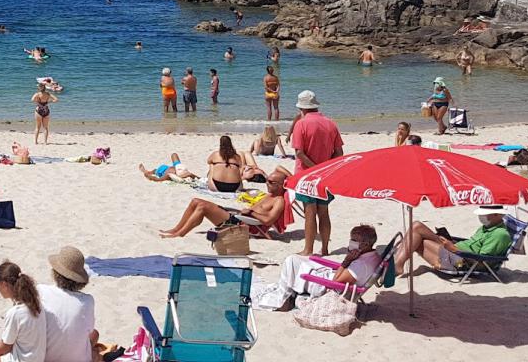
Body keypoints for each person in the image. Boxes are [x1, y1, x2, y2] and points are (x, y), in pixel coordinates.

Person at [275, 225, 380, 312]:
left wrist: (347, 261)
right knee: (298, 261)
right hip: (335, 275)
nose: (351, 242)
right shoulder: (373, 255)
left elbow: (335, 282)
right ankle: (288, 294)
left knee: (291, 261)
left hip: (327, 287)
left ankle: (283, 299)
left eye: (354, 240)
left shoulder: (361, 266)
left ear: (365, 244)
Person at [159, 170, 289, 238]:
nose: (267, 183)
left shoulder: (279, 201)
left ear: (280, 185)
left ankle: (180, 233)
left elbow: (268, 220)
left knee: (203, 207)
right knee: (195, 201)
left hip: (245, 226)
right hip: (240, 217)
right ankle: (177, 229)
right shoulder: (269, 195)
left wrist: (251, 212)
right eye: (267, 180)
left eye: (271, 182)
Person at [290, 90, 343, 255]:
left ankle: (308, 249)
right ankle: (325, 249)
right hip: (326, 174)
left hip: (307, 174)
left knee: (310, 212)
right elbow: (339, 152)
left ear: (302, 108)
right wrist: (325, 168)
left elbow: (299, 153)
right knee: (324, 211)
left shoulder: (301, 124)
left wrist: (315, 168)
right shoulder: (330, 123)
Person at [395, 205, 513, 276]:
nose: (481, 217)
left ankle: (397, 264)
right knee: (416, 228)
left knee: (417, 234)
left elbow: (482, 261)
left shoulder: (500, 234)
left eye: (485, 214)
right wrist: (451, 243)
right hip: (455, 250)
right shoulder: (487, 227)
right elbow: (472, 244)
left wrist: (454, 249)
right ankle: (397, 264)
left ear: (498, 215)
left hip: (459, 260)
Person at [37, 246, 98, 362]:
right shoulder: (88, 301)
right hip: (79, 359)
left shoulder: (41, 291)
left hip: (46, 357)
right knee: (94, 334)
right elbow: (89, 330)